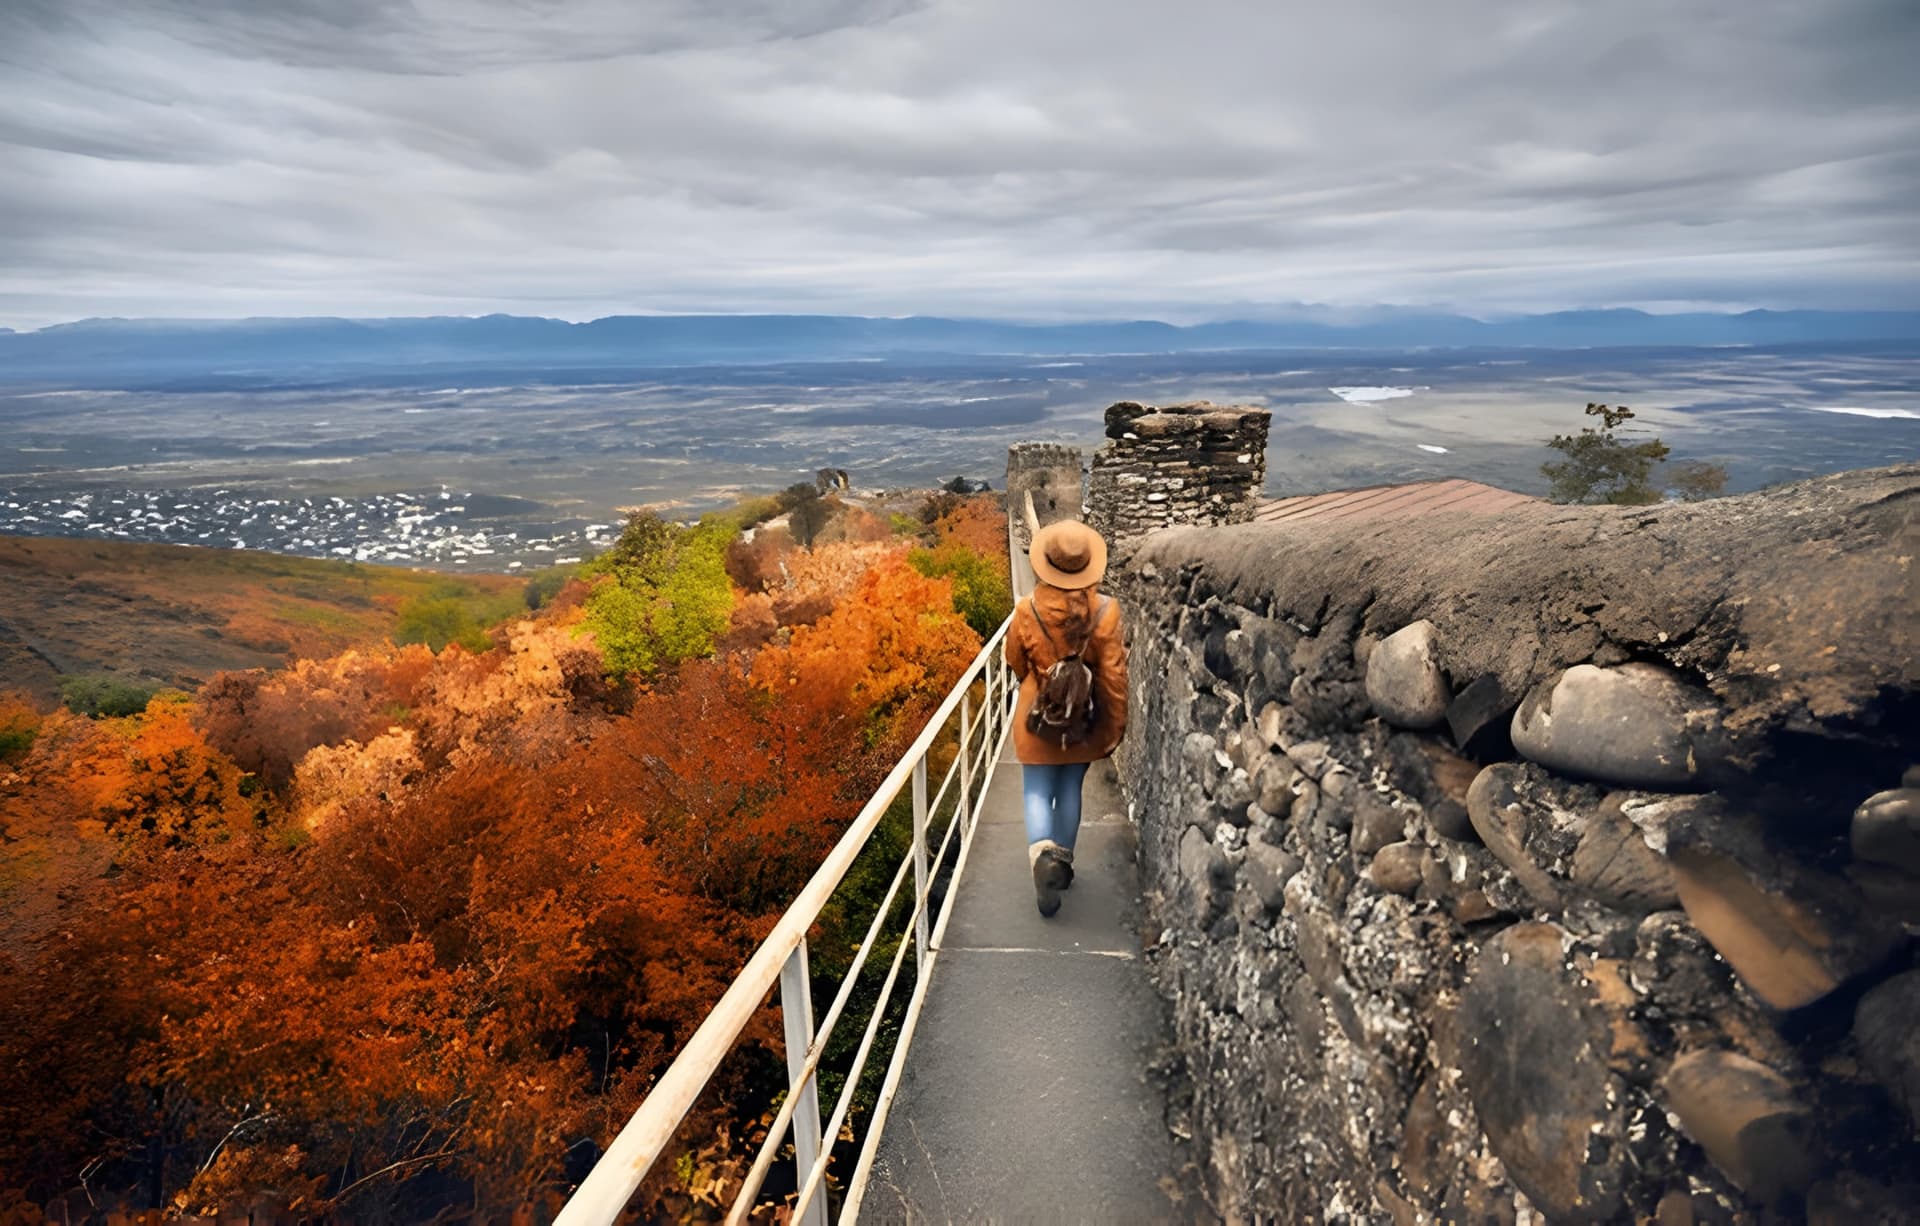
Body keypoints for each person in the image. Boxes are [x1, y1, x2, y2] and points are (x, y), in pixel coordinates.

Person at [1005, 518, 1128, 917]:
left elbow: (1013, 660)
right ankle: (1063, 863)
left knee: (1038, 790)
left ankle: (1041, 857)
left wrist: (1040, 680)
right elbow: (1113, 676)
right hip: (1082, 720)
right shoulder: (1106, 611)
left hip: (1035, 716)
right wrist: (1112, 730)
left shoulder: (1026, 609)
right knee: (1070, 788)